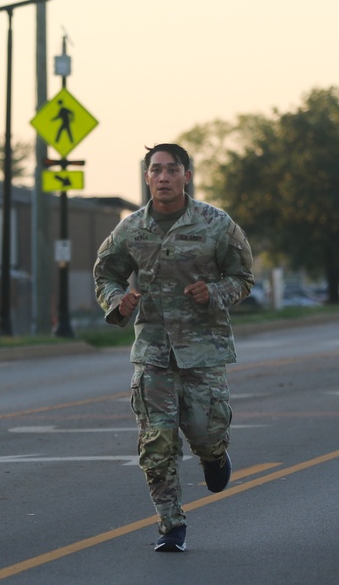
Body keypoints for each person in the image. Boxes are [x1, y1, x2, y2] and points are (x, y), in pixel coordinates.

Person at [93, 143, 254, 553]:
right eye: (156, 170)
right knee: (157, 443)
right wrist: (118, 302)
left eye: (172, 169)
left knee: (205, 431)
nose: (163, 177)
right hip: (152, 353)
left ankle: (214, 455)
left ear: (187, 175)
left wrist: (213, 292)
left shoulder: (216, 225)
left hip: (203, 351)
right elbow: (105, 276)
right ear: (147, 178)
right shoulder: (130, 229)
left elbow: (243, 277)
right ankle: (171, 524)